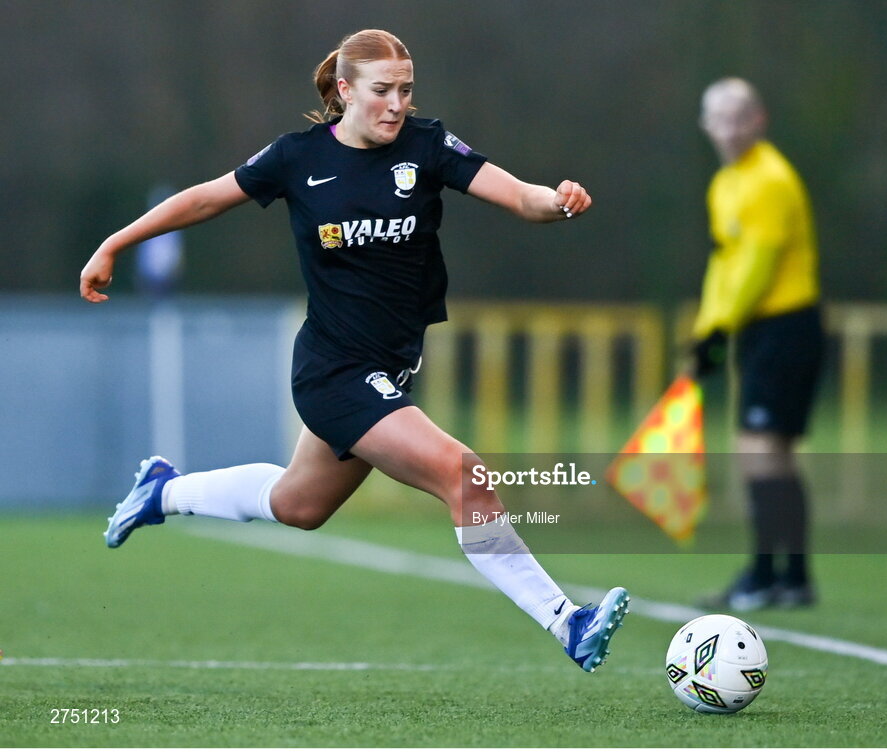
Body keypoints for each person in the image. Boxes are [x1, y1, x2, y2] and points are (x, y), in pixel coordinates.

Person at [79, 29, 628, 671]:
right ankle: (569, 622)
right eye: (382, 91)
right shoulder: (295, 157)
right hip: (334, 371)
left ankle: (161, 492)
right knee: (465, 475)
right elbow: (205, 198)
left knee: (298, 505)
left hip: (387, 371)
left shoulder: (429, 145)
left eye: (406, 90)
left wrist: (557, 203)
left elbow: (520, 198)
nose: (397, 104)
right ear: (345, 91)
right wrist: (116, 242)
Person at [689, 78, 824, 611]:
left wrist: (721, 327)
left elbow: (758, 268)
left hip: (785, 326)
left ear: (758, 120)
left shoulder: (770, 180)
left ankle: (769, 574)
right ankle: (792, 578)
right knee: (773, 456)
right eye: (717, 117)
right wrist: (709, 328)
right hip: (757, 328)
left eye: (737, 117)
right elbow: (725, 264)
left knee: (761, 453)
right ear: (706, 124)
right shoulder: (726, 184)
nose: (727, 128)